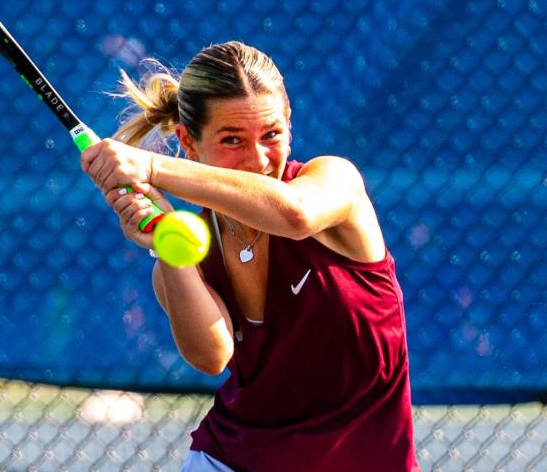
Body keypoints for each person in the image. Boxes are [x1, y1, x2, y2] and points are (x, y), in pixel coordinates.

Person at [81, 41, 419, 472]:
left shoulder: (334, 183)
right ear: (188, 140)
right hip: (232, 461)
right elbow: (211, 355)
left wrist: (150, 167)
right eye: (232, 140)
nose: (257, 158)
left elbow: (293, 215)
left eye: (272, 134)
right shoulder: (198, 249)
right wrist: (166, 238)